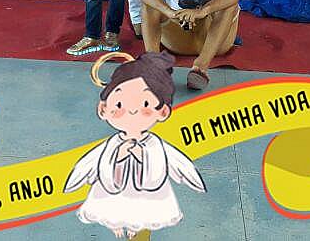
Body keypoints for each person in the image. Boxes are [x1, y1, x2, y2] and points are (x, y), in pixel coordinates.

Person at [64, 51, 206, 238]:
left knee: (142, 225)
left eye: (145, 104)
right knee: (117, 219)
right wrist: (118, 155)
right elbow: (92, 164)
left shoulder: (154, 144)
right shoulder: (113, 144)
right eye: (119, 104)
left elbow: (169, 166)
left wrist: (142, 155)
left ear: (163, 111)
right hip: (114, 196)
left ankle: (137, 230)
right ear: (103, 108)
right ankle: (118, 224)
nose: (131, 111)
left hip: (146, 198)